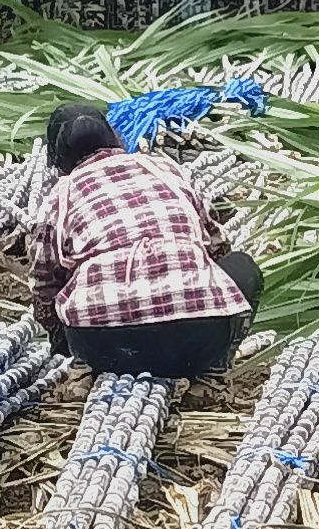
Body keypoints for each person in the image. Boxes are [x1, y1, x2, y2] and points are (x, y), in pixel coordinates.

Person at [29, 103, 263, 379]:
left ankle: (84, 369)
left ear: (58, 159)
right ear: (114, 138)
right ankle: (213, 369)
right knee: (243, 267)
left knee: (65, 288)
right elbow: (217, 246)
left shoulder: (60, 197)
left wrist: (63, 343)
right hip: (198, 339)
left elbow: (44, 288)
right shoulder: (166, 169)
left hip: (105, 348)